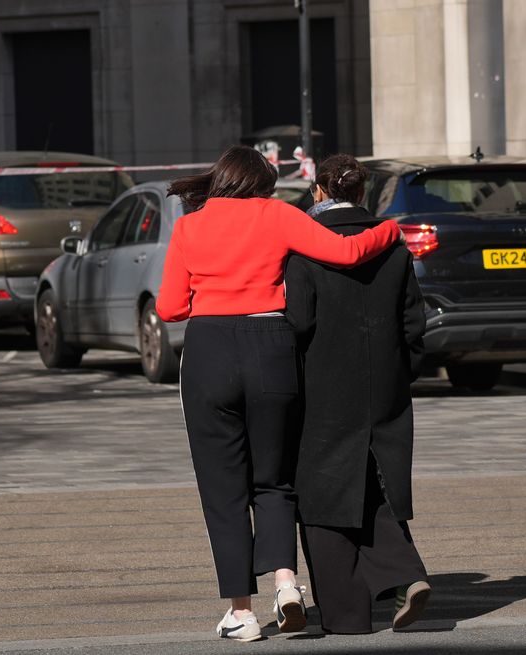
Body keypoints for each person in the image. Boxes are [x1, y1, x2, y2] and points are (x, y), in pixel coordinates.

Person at [155, 146, 401, 642]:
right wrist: (390, 229)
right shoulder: (278, 214)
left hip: (208, 352)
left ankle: (241, 613)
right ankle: (287, 584)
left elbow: (169, 308)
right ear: (262, 185)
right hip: (270, 347)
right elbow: (348, 252)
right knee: (274, 479)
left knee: (223, 491)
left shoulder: (190, 226)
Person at [285, 154, 430, 635]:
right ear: (362, 193)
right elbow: (413, 319)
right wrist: (404, 369)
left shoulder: (306, 244)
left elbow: (300, 320)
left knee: (322, 494)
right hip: (385, 380)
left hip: (323, 384)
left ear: (319, 192)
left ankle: (347, 617)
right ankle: (405, 574)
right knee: (376, 482)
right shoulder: (391, 243)